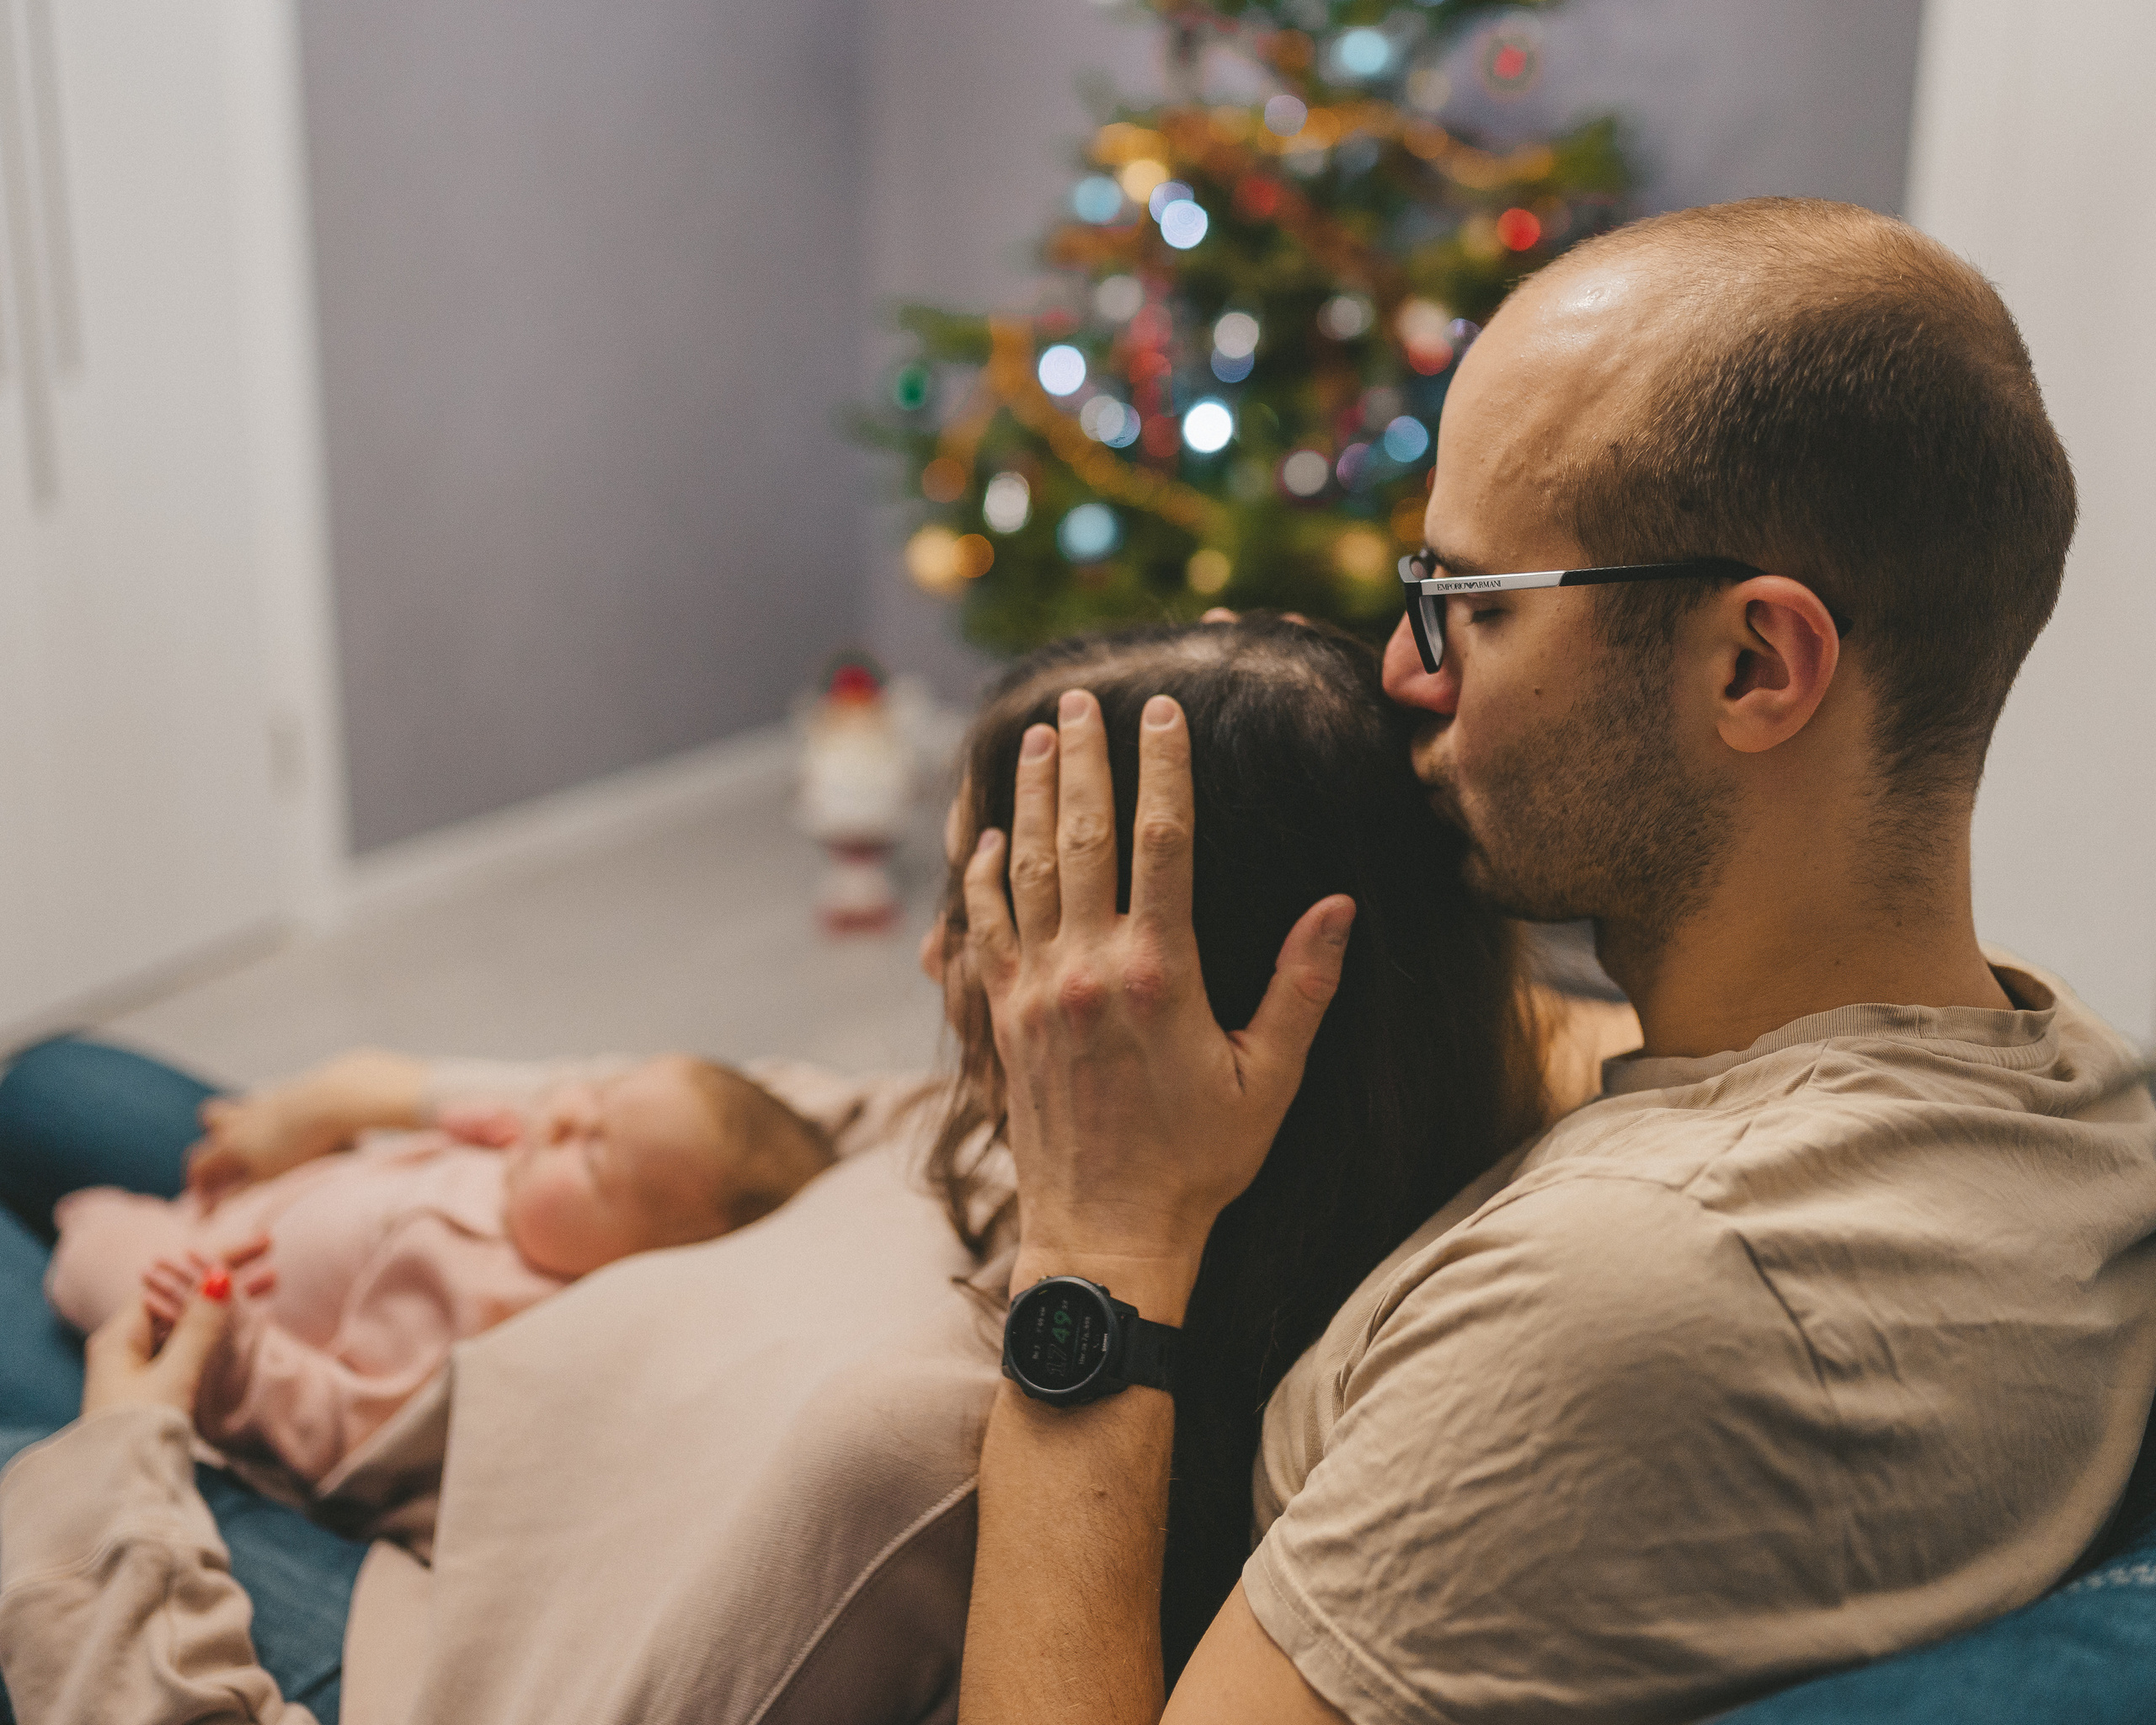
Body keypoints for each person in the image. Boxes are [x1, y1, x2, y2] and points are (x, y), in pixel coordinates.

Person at [953, 198, 2156, 1722]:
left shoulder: (1647, 1290)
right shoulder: (2059, 1068)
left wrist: (1099, 1240)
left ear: (1754, 665)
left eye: (1472, 606)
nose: (1403, 667)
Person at [0, 617, 1614, 1721]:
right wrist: (399, 1090)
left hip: (424, 1614)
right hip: (505, 1344)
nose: (930, 953)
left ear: (1149, 978)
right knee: (57, 1079)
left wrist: (122, 1456)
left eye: (986, 911)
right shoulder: (1078, 1115)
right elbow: (818, 1109)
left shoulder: (927, 1445)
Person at [43, 1050, 833, 1487]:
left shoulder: (495, 1307)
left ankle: (78, 1245)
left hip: (194, 1315)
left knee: (92, 1245)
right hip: (247, 1208)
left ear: (633, 1269)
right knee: (53, 1081)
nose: (560, 1116)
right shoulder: (526, 1173)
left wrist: (236, 1347)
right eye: (597, 1096)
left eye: (594, 1155)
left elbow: (340, 1427)